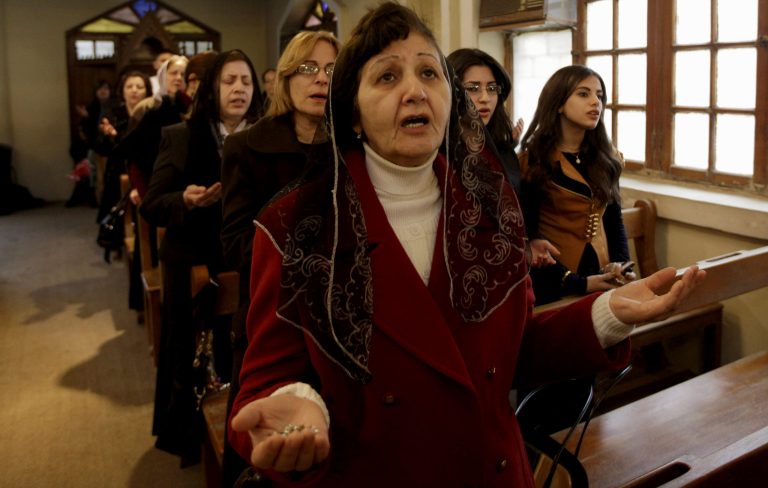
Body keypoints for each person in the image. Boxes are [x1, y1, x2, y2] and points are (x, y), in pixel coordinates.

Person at [227, 3, 705, 487]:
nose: (415, 91)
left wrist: (606, 314)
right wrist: (299, 416)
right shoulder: (296, 225)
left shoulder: (490, 205)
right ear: (352, 107)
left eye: (429, 73)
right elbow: (266, 384)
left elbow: (509, 353)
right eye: (388, 77)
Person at [219, 30, 340, 487]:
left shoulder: (354, 145)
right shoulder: (246, 146)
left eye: (331, 69)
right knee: (267, 449)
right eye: (308, 68)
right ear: (286, 78)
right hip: (271, 314)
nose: (320, 79)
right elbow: (234, 242)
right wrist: (309, 254)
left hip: (339, 315)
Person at [140, 49, 262, 467]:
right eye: (229, 81)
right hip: (193, 261)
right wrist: (186, 200)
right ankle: (191, 440)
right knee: (189, 357)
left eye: (246, 81)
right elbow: (153, 203)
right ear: (211, 89)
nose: (239, 89)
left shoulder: (264, 136)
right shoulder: (182, 135)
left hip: (245, 264)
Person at [518, 64, 636, 305]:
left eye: (599, 96)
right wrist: (578, 282)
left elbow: (614, 220)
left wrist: (622, 265)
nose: (596, 103)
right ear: (559, 103)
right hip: (555, 282)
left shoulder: (606, 157)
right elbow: (528, 240)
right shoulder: (533, 162)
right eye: (584, 94)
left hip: (603, 274)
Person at [447, 48, 525, 192]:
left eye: (491, 88)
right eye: (473, 88)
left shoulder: (503, 150)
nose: (485, 98)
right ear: (451, 91)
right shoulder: (437, 152)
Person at [95, 71, 152, 260]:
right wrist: (108, 136)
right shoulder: (114, 113)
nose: (134, 90)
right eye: (130, 86)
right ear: (123, 90)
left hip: (142, 167)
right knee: (115, 205)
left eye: (139, 86)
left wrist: (116, 136)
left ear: (147, 90)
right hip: (118, 167)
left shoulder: (151, 112)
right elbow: (102, 147)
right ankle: (118, 244)